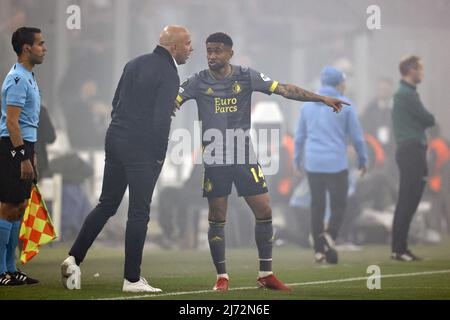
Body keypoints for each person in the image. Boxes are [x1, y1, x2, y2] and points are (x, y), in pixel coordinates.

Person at [175, 32, 348, 291]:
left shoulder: (246, 76)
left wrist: (322, 99)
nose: (212, 56)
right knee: (217, 216)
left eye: (218, 50)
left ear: (230, 53)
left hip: (245, 156)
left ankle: (266, 274)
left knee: (264, 210)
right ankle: (222, 277)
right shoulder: (198, 81)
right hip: (215, 158)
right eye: (209, 50)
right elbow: (172, 100)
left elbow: (286, 89)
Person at [60, 25, 193, 292]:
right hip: (142, 147)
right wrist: (158, 153)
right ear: (174, 47)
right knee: (139, 211)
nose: (191, 49)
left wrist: (124, 128)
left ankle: (73, 257)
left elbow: (115, 103)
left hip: (116, 138)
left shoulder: (134, 63)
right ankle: (132, 279)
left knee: (107, 203)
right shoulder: (169, 73)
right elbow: (160, 120)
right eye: (188, 44)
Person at [294, 66, 368, 264]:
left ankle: (319, 252)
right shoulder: (346, 104)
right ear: (338, 83)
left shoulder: (307, 105)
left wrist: (296, 161)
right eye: (344, 81)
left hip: (313, 163)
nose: (345, 85)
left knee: (316, 206)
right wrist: (363, 159)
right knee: (339, 204)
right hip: (336, 163)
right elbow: (357, 138)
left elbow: (299, 137)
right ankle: (330, 235)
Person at [0, 26, 46, 286]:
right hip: (11, 146)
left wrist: (32, 155)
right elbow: (12, 122)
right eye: (40, 43)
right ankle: (0, 271)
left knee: (18, 209)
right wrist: (22, 157)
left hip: (23, 147)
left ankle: (10, 268)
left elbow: (28, 124)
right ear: (27, 48)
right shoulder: (17, 78)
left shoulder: (29, 76)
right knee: (7, 208)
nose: (44, 48)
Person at [391, 55, 435, 261]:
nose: (422, 73)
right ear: (411, 70)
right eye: (420, 69)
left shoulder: (407, 93)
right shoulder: (405, 94)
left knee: (410, 199)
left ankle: (400, 247)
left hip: (412, 149)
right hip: (411, 150)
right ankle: (398, 248)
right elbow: (428, 118)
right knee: (407, 200)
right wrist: (424, 121)